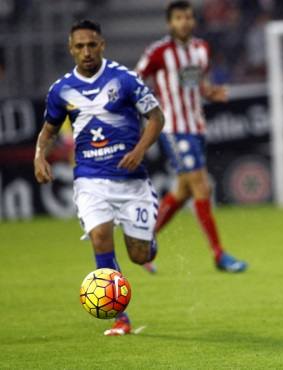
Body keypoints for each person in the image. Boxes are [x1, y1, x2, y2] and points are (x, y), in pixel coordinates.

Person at [33, 20, 165, 336]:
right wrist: (40, 155)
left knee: (138, 255)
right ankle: (121, 317)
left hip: (132, 181)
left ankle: (148, 246)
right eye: (80, 46)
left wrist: (139, 149)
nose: (86, 51)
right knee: (101, 238)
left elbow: (156, 118)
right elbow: (49, 131)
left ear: (102, 45)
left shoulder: (125, 79)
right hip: (90, 180)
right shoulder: (61, 89)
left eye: (92, 45)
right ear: (71, 49)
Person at [135, 0, 247, 273]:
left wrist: (211, 93)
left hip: (196, 127)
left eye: (187, 17)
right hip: (172, 127)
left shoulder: (201, 49)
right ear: (169, 23)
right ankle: (219, 254)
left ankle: (143, 245)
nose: (184, 22)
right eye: (178, 18)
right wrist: (147, 116)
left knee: (183, 191)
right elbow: (135, 82)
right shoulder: (158, 52)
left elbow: (196, 84)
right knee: (201, 185)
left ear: (193, 21)